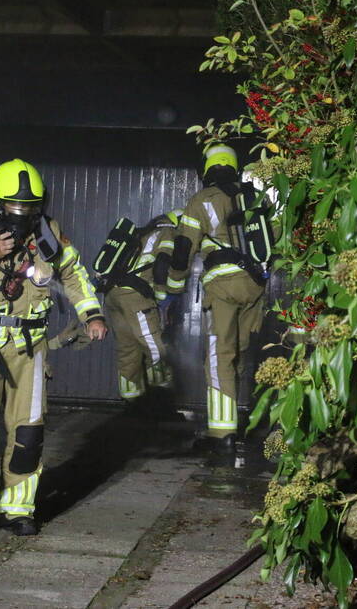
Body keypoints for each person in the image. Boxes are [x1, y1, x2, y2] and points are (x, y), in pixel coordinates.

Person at [0, 158, 107, 540]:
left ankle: (18, 509)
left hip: (31, 348)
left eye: (30, 206)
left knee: (28, 433)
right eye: (14, 206)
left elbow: (75, 276)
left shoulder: (48, 234)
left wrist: (92, 315)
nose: (22, 213)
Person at [167, 145, 266, 453]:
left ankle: (222, 435)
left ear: (207, 170)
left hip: (223, 285)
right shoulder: (253, 197)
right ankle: (240, 418)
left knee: (219, 354)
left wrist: (173, 286)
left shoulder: (202, 200)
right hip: (255, 285)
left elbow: (184, 248)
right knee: (241, 352)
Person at [101, 210, 181, 406]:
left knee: (127, 349)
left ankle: (131, 400)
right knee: (155, 345)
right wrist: (162, 297)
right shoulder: (168, 233)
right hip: (134, 296)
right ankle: (161, 397)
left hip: (113, 293)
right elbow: (162, 264)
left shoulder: (144, 232)